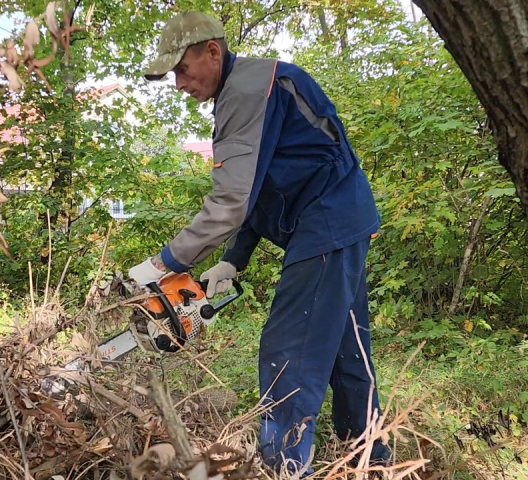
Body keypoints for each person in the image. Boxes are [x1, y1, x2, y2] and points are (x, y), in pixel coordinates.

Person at [127, 10, 391, 476]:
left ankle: (284, 465)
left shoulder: (248, 90)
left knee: (291, 346)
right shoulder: (250, 88)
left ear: (213, 51)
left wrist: (164, 263)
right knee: (347, 345)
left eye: (182, 69)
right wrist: (234, 260)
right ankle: (369, 455)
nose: (178, 84)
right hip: (340, 219)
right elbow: (260, 188)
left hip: (326, 222)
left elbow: (230, 202)